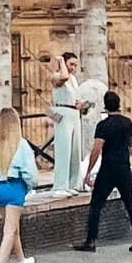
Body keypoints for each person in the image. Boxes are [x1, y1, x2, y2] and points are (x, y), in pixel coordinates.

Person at [72, 90, 132, 254]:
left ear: (105, 106)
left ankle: (90, 241)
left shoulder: (103, 125)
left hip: (108, 168)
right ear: (118, 104)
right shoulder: (128, 122)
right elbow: (130, 142)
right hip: (124, 167)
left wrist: (89, 171)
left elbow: (97, 149)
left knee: (96, 205)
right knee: (130, 204)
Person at [0, 107, 39, 263]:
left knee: (12, 227)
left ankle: (22, 261)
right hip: (15, 186)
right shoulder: (20, 143)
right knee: (10, 230)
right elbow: (30, 172)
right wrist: (30, 186)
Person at [50, 52, 88, 196]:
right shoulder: (56, 76)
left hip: (73, 113)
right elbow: (63, 77)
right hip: (62, 111)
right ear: (64, 63)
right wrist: (59, 60)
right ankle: (60, 185)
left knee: (74, 149)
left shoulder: (74, 79)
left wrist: (81, 104)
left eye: (75, 65)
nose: (73, 68)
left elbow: (75, 95)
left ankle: (73, 183)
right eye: (71, 64)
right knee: (63, 148)